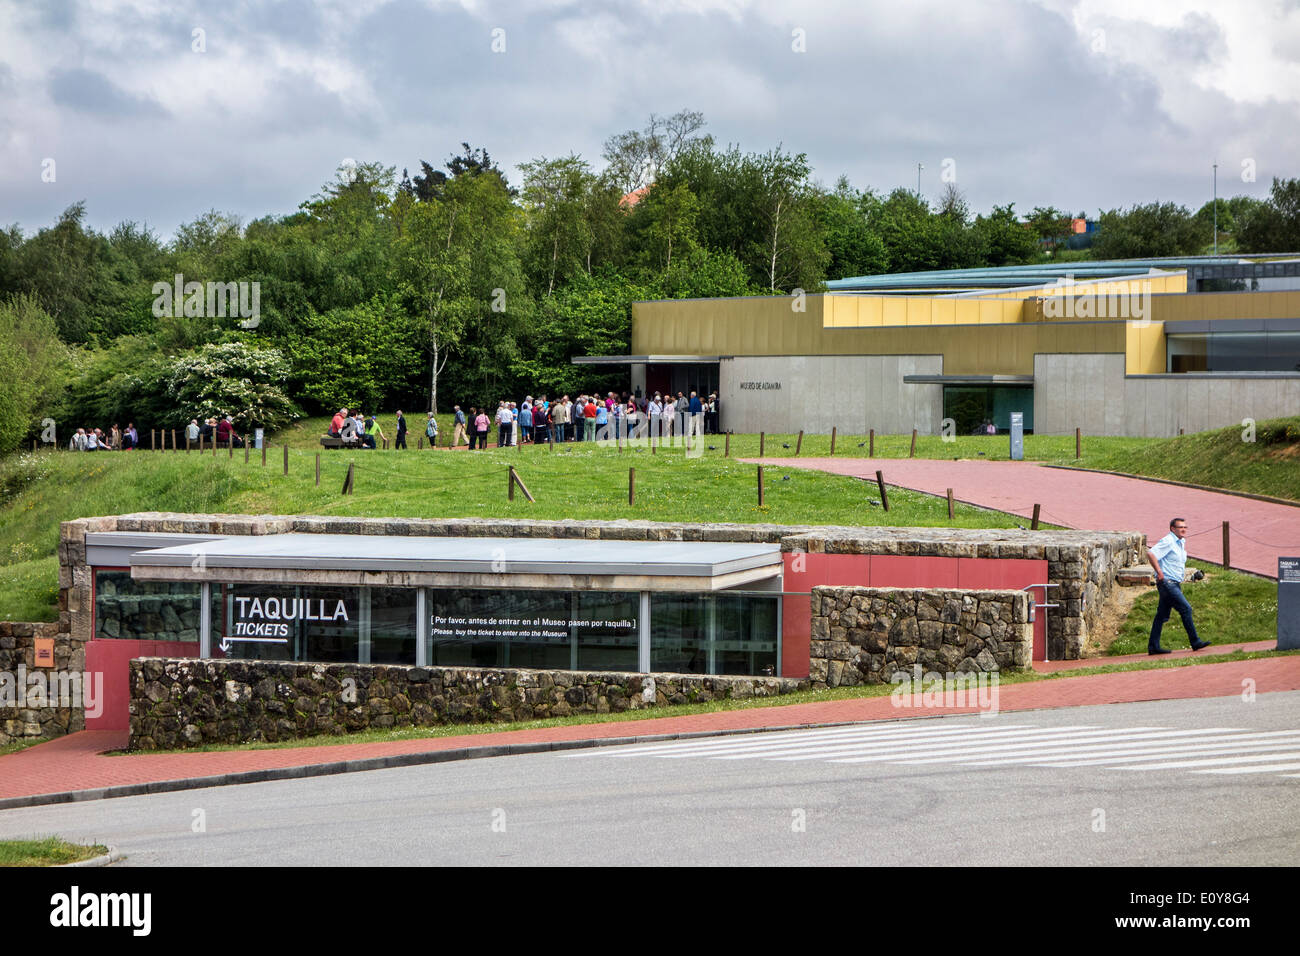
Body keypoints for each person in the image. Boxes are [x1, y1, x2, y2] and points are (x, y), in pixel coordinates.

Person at [1146, 517, 1210, 655]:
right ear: (1172, 529)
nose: (1183, 529)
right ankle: (1195, 641)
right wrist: (1159, 572)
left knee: (1161, 616)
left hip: (1174, 583)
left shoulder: (1181, 542)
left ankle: (1153, 646)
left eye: (1185, 527)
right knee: (1186, 609)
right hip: (1167, 583)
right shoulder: (1168, 541)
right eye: (1180, 527)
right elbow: (1151, 553)